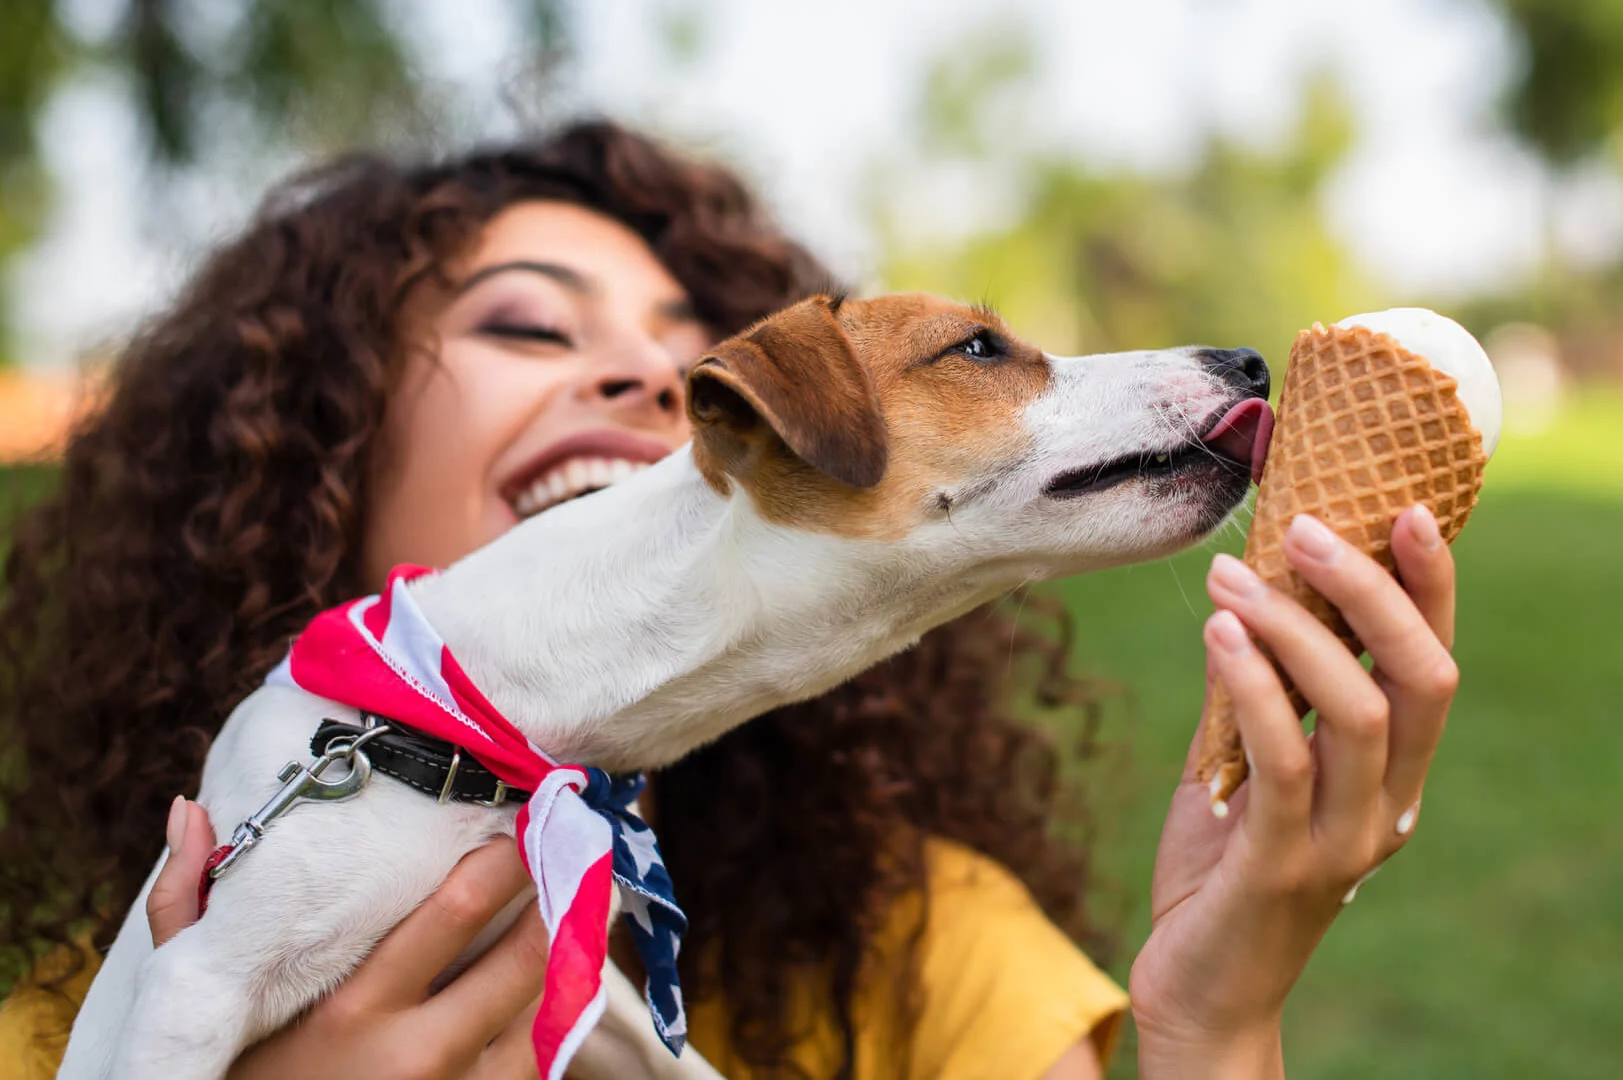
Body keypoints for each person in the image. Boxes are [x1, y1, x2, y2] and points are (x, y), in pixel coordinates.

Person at [0, 121, 1462, 1079]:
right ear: (317, 428)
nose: (650, 379)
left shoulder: (934, 958)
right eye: (528, 321)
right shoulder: (82, 1000)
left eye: (690, 349)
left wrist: (1216, 1022)